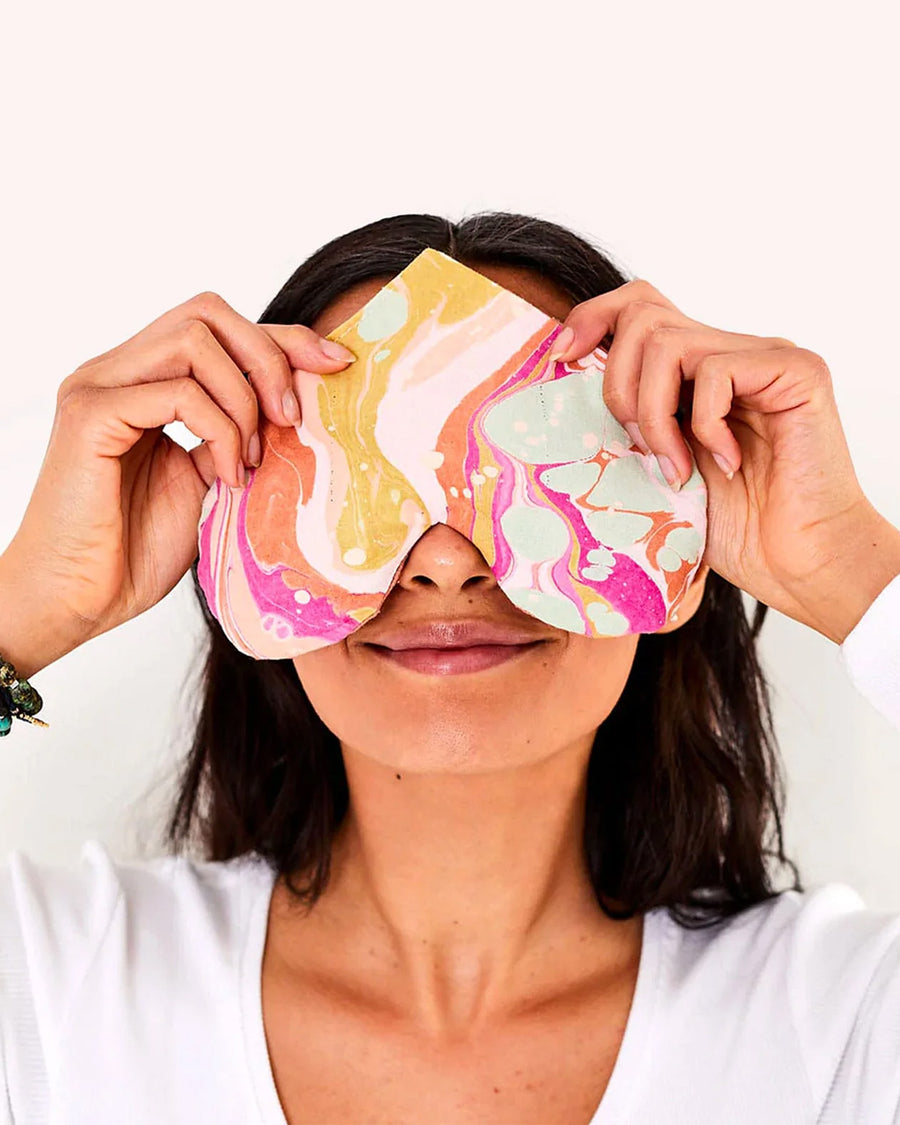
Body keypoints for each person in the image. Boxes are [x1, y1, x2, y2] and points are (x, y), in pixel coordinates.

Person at [1, 212, 899, 1125]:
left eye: (544, 459)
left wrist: (846, 566)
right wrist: (32, 603)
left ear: (678, 510)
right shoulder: (52, 992)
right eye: (357, 477)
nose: (445, 560)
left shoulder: (847, 1025)